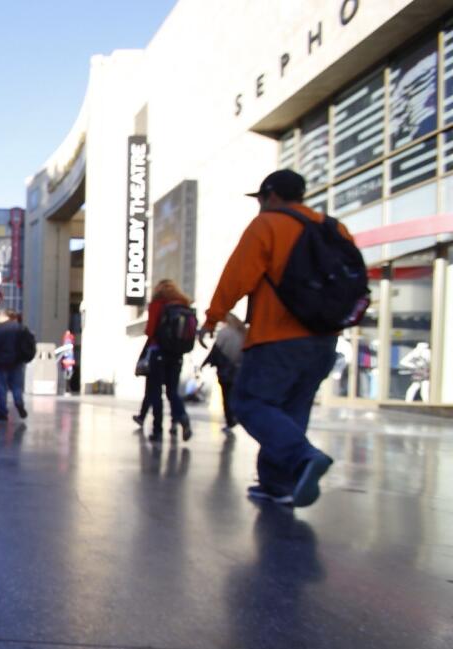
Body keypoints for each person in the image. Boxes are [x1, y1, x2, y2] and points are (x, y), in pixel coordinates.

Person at [201, 169, 351, 507]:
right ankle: (276, 484)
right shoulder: (334, 228)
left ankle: (302, 458)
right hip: (325, 339)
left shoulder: (268, 224)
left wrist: (212, 319)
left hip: (276, 336)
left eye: (259, 200)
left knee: (250, 403)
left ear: (270, 196)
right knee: (291, 411)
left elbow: (236, 278)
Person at [138, 279, 193, 442]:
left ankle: (157, 430)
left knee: (156, 392)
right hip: (177, 355)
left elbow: (150, 330)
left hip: (158, 353)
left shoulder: (157, 304)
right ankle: (182, 417)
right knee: (172, 392)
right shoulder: (184, 304)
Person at [202, 312, 246, 432]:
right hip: (239, 369)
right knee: (234, 394)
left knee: (226, 395)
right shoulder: (243, 333)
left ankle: (230, 420)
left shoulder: (224, 332)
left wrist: (204, 364)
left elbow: (216, 350)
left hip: (225, 369)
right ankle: (234, 416)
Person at [0, 309, 28, 422]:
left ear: (5, 317)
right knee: (16, 386)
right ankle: (19, 403)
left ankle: (3, 412)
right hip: (17, 361)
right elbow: (27, 345)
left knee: (1, 387)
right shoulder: (21, 328)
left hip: (1, 362)